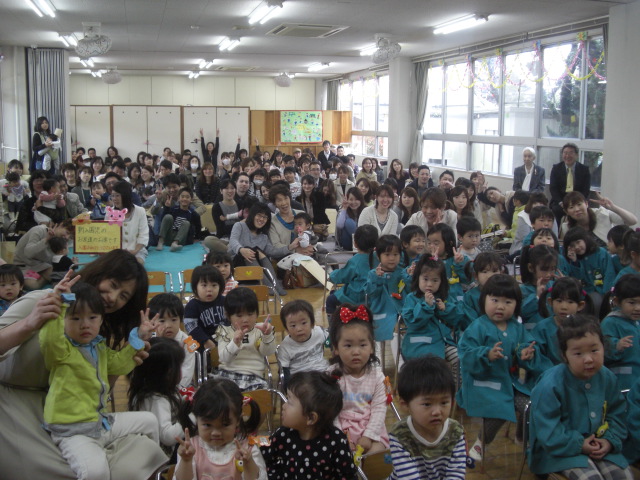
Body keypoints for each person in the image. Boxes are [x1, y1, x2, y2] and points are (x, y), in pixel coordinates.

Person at [0, 250, 166, 478]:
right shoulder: (45, 300)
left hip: (70, 412)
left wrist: (129, 356)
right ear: (99, 273)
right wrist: (30, 322)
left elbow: (98, 389)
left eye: (124, 296)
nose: (112, 297)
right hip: (13, 407)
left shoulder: (96, 330)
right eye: (113, 285)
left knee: (136, 454)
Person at [39, 281, 159, 480]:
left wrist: (139, 337)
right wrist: (59, 304)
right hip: (72, 431)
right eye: (75, 318)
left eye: (92, 317)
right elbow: (49, 340)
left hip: (100, 423)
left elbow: (120, 365)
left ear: (101, 319)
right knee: (96, 473)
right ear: (63, 321)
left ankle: (154, 471)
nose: (85, 324)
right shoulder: (61, 349)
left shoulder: (99, 347)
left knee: (149, 421)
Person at [528, 315, 632, 480]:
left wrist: (609, 440)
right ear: (564, 356)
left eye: (594, 350)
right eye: (578, 353)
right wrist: (579, 444)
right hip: (557, 452)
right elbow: (548, 431)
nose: (588, 359)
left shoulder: (607, 377)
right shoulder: (550, 384)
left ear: (603, 347)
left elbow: (617, 414)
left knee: (622, 476)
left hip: (600, 445)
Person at [458, 274, 542, 461]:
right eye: (495, 300)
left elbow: (525, 345)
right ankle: (481, 442)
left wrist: (525, 353)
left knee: (530, 405)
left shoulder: (516, 327)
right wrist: (486, 354)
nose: (500, 306)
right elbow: (465, 353)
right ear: (484, 300)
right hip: (484, 386)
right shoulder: (478, 327)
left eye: (508, 302)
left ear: (516, 305)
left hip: (510, 383)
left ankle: (521, 435)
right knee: (501, 409)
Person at [259, 371, 356, 479]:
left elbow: (348, 475)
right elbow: (264, 457)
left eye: (290, 402)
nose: (283, 406)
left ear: (311, 418)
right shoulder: (283, 434)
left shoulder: (336, 441)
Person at [389, 356, 467, 480]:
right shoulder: (399, 435)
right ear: (405, 404)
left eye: (444, 402)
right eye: (427, 404)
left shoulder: (455, 431)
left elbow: (456, 474)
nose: (437, 412)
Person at [174, 378, 266, 480]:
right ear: (197, 419)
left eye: (225, 424)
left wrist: (248, 463)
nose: (216, 433)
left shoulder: (247, 449)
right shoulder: (191, 449)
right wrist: (186, 461)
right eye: (207, 425)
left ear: (238, 420)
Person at [329, 303, 389, 454]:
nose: (356, 352)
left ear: (372, 347)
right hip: (340, 428)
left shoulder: (377, 376)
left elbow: (379, 409)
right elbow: (330, 411)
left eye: (362, 345)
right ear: (336, 348)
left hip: (370, 428)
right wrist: (340, 438)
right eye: (348, 346)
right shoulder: (332, 375)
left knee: (378, 453)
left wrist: (368, 436)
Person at [128, 337, 189, 455]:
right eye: (179, 367)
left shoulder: (151, 390)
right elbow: (168, 437)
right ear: (167, 373)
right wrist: (192, 417)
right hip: (162, 458)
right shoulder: (157, 399)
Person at [214, 287, 276, 391]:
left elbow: (268, 352)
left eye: (250, 314)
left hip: (253, 376)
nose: (245, 319)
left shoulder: (260, 329)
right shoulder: (224, 331)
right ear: (228, 316)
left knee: (260, 394)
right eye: (239, 315)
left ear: (257, 313)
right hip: (226, 374)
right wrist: (235, 342)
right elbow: (224, 359)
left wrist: (267, 335)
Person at [400, 256, 459, 363]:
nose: (429, 284)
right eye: (425, 279)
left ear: (441, 282)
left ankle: (448, 375)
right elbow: (412, 322)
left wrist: (445, 309)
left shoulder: (444, 297)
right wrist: (426, 306)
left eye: (435, 280)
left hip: (442, 341)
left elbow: (456, 319)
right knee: (427, 363)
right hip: (418, 343)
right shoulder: (412, 298)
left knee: (457, 358)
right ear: (418, 278)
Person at [229, 203, 295, 296]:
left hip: (255, 266)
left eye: (265, 217)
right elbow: (233, 240)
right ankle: (268, 286)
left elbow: (272, 251)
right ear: (253, 215)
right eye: (259, 215)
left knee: (260, 253)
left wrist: (290, 247)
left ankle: (275, 285)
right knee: (251, 250)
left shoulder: (264, 236)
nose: (261, 219)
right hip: (237, 263)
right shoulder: (239, 225)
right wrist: (241, 250)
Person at [533, 277, 589, 366]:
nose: (564, 307)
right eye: (559, 301)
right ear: (550, 302)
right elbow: (537, 360)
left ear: (580, 306)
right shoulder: (542, 329)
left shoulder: (586, 328)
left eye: (570, 302)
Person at [327, 225, 379, 314]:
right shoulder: (379, 257)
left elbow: (342, 276)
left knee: (330, 300)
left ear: (355, 243)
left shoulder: (356, 260)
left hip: (357, 298)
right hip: (375, 297)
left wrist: (331, 275)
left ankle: (333, 322)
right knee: (335, 293)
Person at [600, 274, 640, 390]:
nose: (638, 308)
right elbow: (602, 350)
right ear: (617, 301)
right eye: (632, 303)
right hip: (623, 381)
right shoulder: (610, 322)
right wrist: (616, 346)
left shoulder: (637, 322)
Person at [148, 293, 196, 389]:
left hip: (179, 389)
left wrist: (172, 391)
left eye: (174, 320)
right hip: (155, 388)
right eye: (162, 321)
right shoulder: (149, 341)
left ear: (180, 319)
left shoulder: (187, 343)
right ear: (152, 322)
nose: (168, 325)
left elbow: (187, 372)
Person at [278, 300, 329, 389]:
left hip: (322, 372)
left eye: (304, 323)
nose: (299, 329)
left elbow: (333, 339)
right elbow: (284, 371)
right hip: (300, 379)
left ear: (312, 324)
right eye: (293, 325)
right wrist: (288, 389)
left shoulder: (319, 332)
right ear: (286, 329)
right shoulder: (285, 347)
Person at [560, 191, 637, 247]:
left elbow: (632, 221)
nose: (577, 209)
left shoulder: (601, 214)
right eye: (571, 207)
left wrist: (613, 207)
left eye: (579, 204)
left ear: (586, 204)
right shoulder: (566, 227)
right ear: (566, 212)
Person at [13, 220, 73, 290]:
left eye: (70, 237)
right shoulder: (39, 230)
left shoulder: (60, 241)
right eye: (67, 232)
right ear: (61, 225)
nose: (67, 237)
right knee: (33, 285)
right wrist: (46, 239)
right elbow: (28, 253)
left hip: (41, 265)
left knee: (64, 277)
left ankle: (45, 277)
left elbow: (55, 259)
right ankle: (46, 278)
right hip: (23, 264)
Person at [366, 235, 404, 344]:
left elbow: (409, 290)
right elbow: (371, 293)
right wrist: (378, 279)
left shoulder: (402, 273)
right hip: (381, 309)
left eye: (395, 254)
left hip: (401, 310)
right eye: (387, 254)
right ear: (378, 256)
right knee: (385, 327)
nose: (392, 258)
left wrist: (409, 278)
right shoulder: (373, 274)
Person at [183, 265, 227, 352]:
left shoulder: (225, 301)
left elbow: (232, 320)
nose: (209, 289)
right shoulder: (192, 306)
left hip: (226, 341)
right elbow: (191, 327)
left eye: (214, 285)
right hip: (204, 345)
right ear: (195, 287)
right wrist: (205, 340)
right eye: (204, 285)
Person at [564, 226, 616, 295]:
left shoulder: (601, 253)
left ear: (585, 239)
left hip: (603, 292)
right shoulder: (572, 260)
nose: (576, 247)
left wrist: (607, 295)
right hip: (585, 294)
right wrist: (575, 262)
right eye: (572, 246)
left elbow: (609, 275)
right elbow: (576, 281)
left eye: (578, 242)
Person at [549, 143, 592, 224]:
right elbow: (553, 188)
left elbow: (586, 190)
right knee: (557, 210)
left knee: (580, 211)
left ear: (576, 155)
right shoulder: (556, 168)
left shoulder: (584, 169)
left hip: (578, 200)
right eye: (565, 153)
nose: (567, 156)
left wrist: (578, 202)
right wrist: (561, 203)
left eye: (571, 153)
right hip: (560, 201)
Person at [460, 252, 506, 329]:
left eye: (494, 271)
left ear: (501, 273)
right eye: (484, 272)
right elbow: (471, 321)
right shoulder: (470, 296)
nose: (490, 276)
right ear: (476, 275)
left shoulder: (506, 293)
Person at [519, 245, 560, 330]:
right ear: (530, 267)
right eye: (544, 269)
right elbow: (522, 312)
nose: (549, 274)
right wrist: (537, 297)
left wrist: (565, 286)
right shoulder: (522, 290)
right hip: (532, 332)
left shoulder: (554, 286)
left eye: (552, 269)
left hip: (554, 331)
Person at [426, 224, 469, 302]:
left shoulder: (458, 259)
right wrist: (434, 262)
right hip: (434, 298)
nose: (431, 246)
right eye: (429, 243)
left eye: (436, 243)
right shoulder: (426, 260)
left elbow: (467, 279)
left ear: (449, 243)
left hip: (455, 299)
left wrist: (459, 264)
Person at [111, 181, 150, 263]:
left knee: (136, 265)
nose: (114, 199)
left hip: (137, 250)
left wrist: (135, 251)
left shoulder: (140, 211)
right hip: (116, 252)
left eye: (117, 195)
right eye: (113, 196)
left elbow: (143, 234)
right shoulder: (110, 212)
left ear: (125, 196)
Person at [156, 187, 202, 252]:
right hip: (169, 236)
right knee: (168, 216)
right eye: (182, 197)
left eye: (187, 197)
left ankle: (175, 244)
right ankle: (160, 241)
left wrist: (196, 238)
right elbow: (163, 220)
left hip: (181, 239)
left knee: (186, 223)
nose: (184, 199)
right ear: (179, 198)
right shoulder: (174, 209)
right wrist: (166, 208)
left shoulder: (193, 213)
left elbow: (198, 226)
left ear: (191, 200)